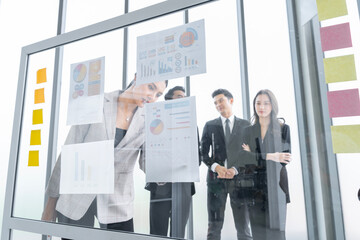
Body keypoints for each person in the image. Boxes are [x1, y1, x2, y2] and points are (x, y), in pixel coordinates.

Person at [41, 74, 167, 238]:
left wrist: (169, 168)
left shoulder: (150, 119)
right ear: (137, 78)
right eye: (151, 87)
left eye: (158, 94)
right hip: (78, 197)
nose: (152, 97)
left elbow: (147, 163)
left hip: (118, 202)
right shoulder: (97, 103)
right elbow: (68, 153)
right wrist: (50, 204)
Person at [145, 86, 198, 238]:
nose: (183, 99)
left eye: (185, 97)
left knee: (178, 232)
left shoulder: (191, 125)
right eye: (179, 96)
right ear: (168, 100)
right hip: (160, 186)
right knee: (157, 232)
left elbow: (198, 156)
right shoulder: (155, 123)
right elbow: (147, 153)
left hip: (184, 185)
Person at [201, 89, 252, 240]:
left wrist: (236, 170)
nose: (218, 105)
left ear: (231, 100)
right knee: (214, 226)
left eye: (221, 100)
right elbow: (202, 153)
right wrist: (216, 167)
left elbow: (250, 154)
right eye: (215, 103)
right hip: (216, 181)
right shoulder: (210, 125)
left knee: (243, 227)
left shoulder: (245, 125)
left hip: (240, 180)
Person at [242, 89, 291, 240]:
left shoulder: (283, 129)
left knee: (277, 234)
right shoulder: (248, 131)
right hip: (253, 188)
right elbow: (245, 160)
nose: (261, 107)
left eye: (266, 103)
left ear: (272, 106)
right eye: (258, 103)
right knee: (258, 235)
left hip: (277, 186)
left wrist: (255, 156)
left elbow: (285, 159)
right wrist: (272, 156)